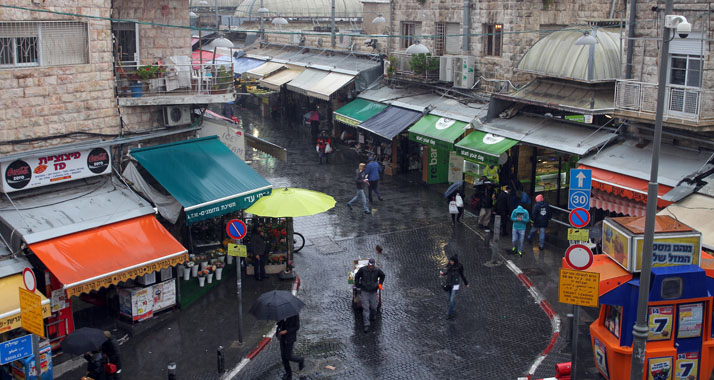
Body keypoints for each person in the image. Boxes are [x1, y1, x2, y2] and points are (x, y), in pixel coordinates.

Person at [354, 258, 385, 333]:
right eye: (370, 265)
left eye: (372, 265)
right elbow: (357, 276)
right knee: (366, 308)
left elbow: (383, 276)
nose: (371, 266)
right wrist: (358, 285)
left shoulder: (377, 270)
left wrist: (380, 284)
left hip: (373, 292)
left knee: (374, 307)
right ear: (368, 264)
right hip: (364, 291)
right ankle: (366, 324)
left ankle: (374, 314)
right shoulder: (363, 270)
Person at [440, 255, 469, 319]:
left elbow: (462, 275)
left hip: (455, 285)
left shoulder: (459, 267)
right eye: (450, 261)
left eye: (452, 261)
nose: (451, 262)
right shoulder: (449, 266)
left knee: (451, 300)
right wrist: (443, 274)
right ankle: (452, 308)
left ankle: (450, 314)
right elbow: (448, 272)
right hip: (449, 284)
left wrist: (466, 283)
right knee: (450, 299)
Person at [276, 314, 304, 380]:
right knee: (283, 356)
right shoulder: (281, 312)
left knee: (288, 356)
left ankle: (300, 360)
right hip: (282, 337)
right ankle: (288, 373)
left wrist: (286, 331)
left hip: (289, 338)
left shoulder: (295, 314)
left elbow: (297, 327)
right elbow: (281, 323)